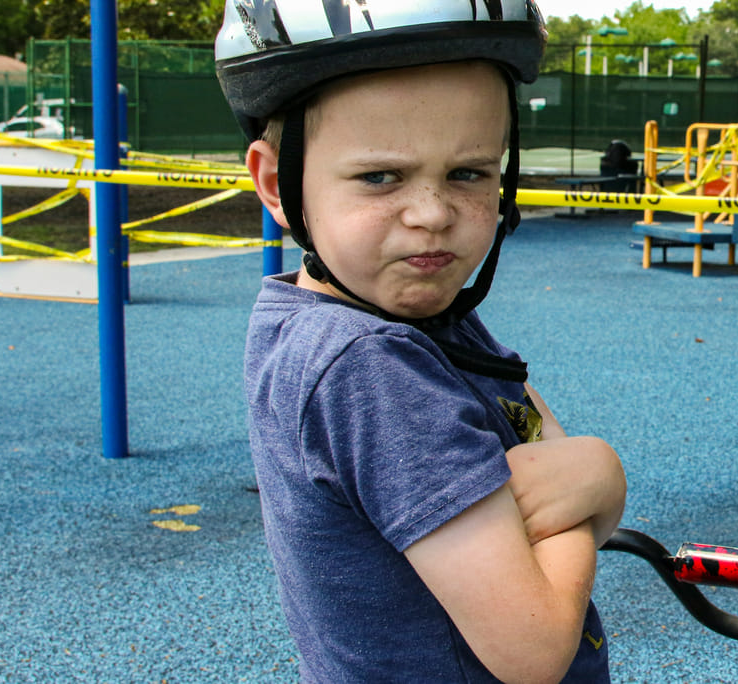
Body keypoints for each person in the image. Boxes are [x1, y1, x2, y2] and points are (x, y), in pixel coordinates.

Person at [214, 1, 627, 682]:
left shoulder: (420, 318)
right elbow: (533, 648)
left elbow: (549, 479)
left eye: (469, 173)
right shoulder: (369, 366)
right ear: (274, 182)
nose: (432, 215)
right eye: (381, 177)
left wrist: (578, 495)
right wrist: (599, 475)